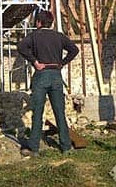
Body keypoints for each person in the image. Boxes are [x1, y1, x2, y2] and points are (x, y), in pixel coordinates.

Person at [18, 9, 79, 156]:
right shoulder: (59, 36)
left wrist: (34, 62)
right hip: (56, 75)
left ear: (38, 22)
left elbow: (21, 47)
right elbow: (74, 50)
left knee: (38, 112)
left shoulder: (34, 36)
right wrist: (62, 63)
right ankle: (65, 146)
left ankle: (34, 147)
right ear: (51, 23)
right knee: (59, 111)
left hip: (41, 75)